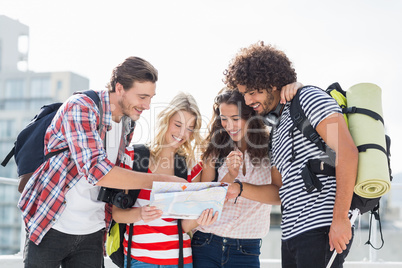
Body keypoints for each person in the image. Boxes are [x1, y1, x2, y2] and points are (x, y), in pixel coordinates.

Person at [18, 56, 186, 268]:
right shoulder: (81, 107)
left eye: (151, 97)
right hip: (52, 223)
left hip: (93, 231)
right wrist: (161, 180)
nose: (147, 105)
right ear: (120, 88)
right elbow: (97, 171)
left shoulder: (127, 122)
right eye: (142, 96)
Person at [224, 41, 359, 268]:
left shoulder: (308, 98)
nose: (247, 101)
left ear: (274, 83)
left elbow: (348, 153)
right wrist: (239, 188)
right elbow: (279, 191)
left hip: (321, 228)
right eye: (244, 93)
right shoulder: (276, 130)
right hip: (290, 236)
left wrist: (340, 219)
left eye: (254, 92)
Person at [113, 92, 218, 268]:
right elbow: (116, 214)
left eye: (190, 129)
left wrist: (201, 219)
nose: (182, 134)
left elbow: (184, 227)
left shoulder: (191, 167)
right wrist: (140, 214)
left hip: (179, 261)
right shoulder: (133, 157)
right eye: (178, 125)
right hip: (139, 260)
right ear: (166, 120)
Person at [191, 88, 282, 268]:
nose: (229, 126)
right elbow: (206, 201)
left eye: (235, 118)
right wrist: (230, 175)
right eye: (224, 119)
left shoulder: (272, 148)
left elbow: (278, 196)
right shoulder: (214, 150)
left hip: (246, 250)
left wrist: (240, 188)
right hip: (206, 244)